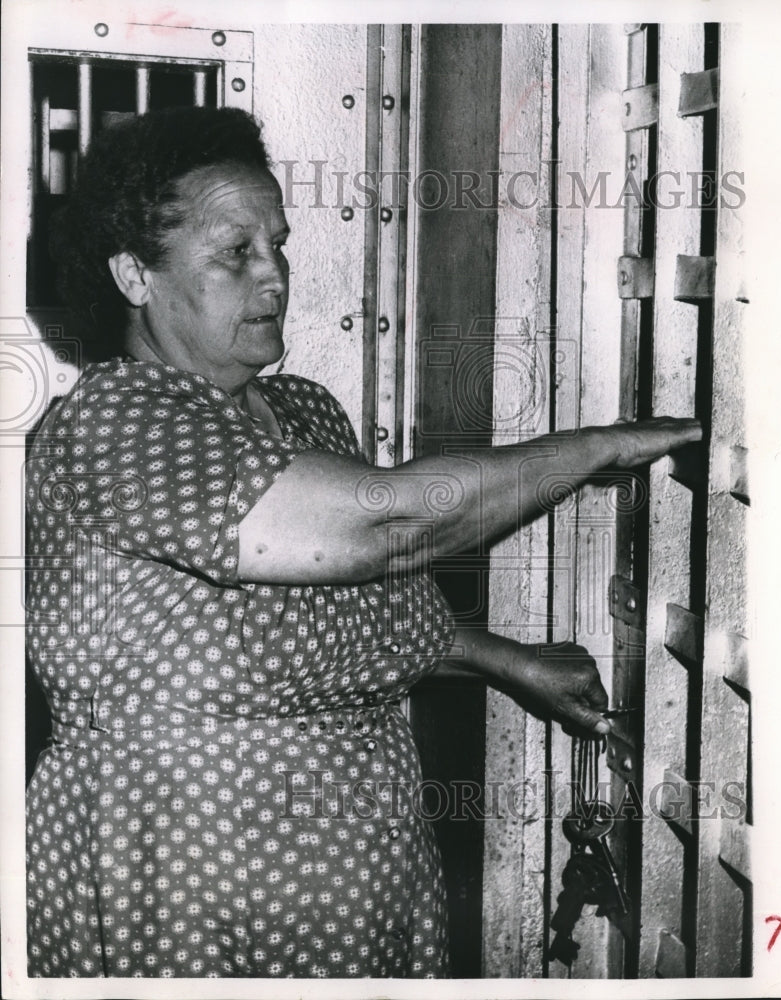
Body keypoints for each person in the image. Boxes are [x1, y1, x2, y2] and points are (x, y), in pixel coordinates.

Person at [25, 106, 700, 979]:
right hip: (187, 864)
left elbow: (355, 616)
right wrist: (599, 447)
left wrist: (509, 662)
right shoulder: (114, 424)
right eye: (236, 253)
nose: (274, 277)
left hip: (362, 862)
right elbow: (384, 526)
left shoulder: (304, 411)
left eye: (278, 245)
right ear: (134, 275)